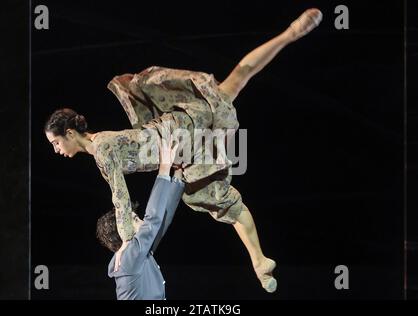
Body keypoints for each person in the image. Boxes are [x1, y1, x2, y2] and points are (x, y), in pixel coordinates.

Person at [45, 8, 323, 293]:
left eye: (55, 142)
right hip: (178, 152)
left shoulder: (101, 148)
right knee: (209, 196)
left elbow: (121, 200)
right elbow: (123, 201)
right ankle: (259, 260)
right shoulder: (100, 149)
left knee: (235, 82)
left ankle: (291, 32)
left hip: (176, 132)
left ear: (70, 133)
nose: (56, 150)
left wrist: (129, 243)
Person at [96, 134, 184, 300]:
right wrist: (164, 168)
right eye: (136, 220)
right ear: (123, 230)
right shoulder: (128, 258)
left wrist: (178, 174)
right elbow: (153, 220)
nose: (141, 221)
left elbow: (162, 221)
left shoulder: (136, 255)